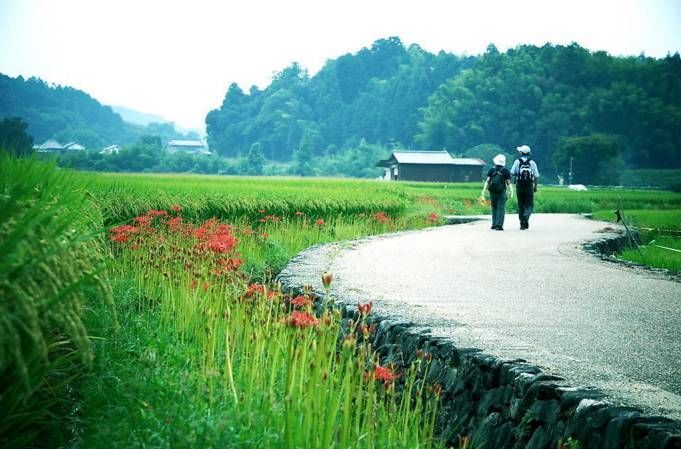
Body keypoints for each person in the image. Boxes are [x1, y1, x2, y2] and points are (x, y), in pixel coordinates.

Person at [510, 145, 540, 230]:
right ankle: (526, 217)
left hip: (519, 185)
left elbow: (512, 172)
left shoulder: (517, 161)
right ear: (529, 153)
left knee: (521, 204)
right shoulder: (532, 162)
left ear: (521, 153)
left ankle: (522, 223)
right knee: (529, 204)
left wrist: (518, 174)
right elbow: (536, 175)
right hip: (529, 185)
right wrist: (535, 186)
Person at [480, 154, 512, 230]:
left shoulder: (492, 170)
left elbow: (487, 182)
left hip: (492, 191)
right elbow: (508, 183)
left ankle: (494, 224)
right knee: (501, 207)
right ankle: (499, 225)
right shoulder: (505, 171)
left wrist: (483, 192)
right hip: (501, 191)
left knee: (494, 207)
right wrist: (511, 191)